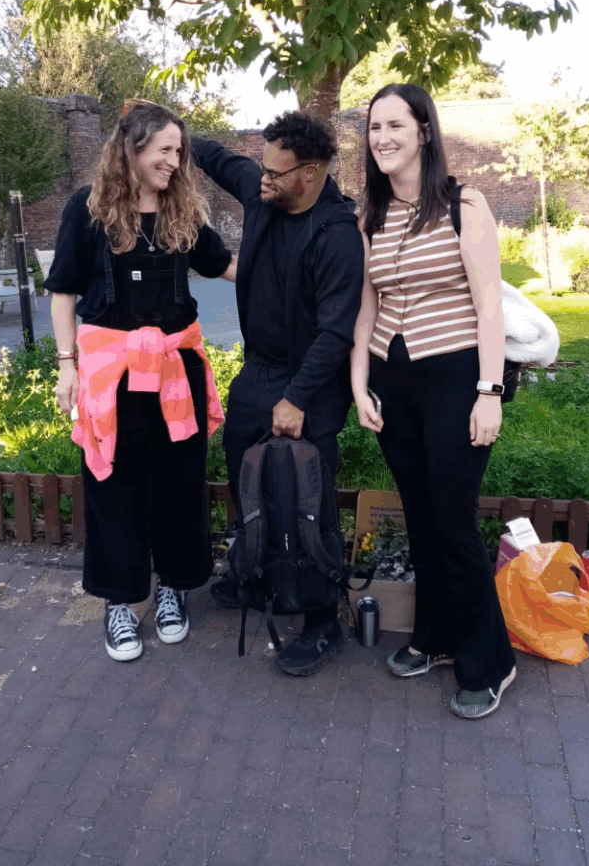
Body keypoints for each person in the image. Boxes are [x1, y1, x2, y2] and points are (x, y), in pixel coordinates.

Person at [45, 100, 236, 662]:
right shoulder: (89, 210)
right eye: (165, 150)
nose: (174, 162)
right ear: (133, 147)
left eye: (179, 151)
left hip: (177, 371)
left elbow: (225, 264)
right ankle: (121, 602)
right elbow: (63, 291)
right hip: (113, 378)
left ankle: (173, 588)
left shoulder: (182, 210)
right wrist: (66, 366)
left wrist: (290, 270)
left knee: (180, 485)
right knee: (115, 491)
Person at [351, 83, 516, 719]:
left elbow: (490, 305)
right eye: (374, 129)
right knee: (421, 518)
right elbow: (369, 305)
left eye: (396, 125)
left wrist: (490, 392)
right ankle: (434, 637)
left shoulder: (461, 204)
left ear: (424, 131)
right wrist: (359, 381)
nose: (383, 138)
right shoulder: (373, 216)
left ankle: (488, 662)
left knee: (451, 521)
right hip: (396, 384)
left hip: (457, 379)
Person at [191, 112, 364, 677]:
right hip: (258, 372)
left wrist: (296, 398)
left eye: (276, 171)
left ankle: (321, 621)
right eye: (262, 167)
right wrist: (167, 128)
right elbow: (219, 160)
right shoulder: (264, 191)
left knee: (305, 495)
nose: (262, 178)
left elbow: (337, 330)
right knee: (245, 470)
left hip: (308, 381)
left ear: (309, 173)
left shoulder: (336, 235)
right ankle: (255, 575)